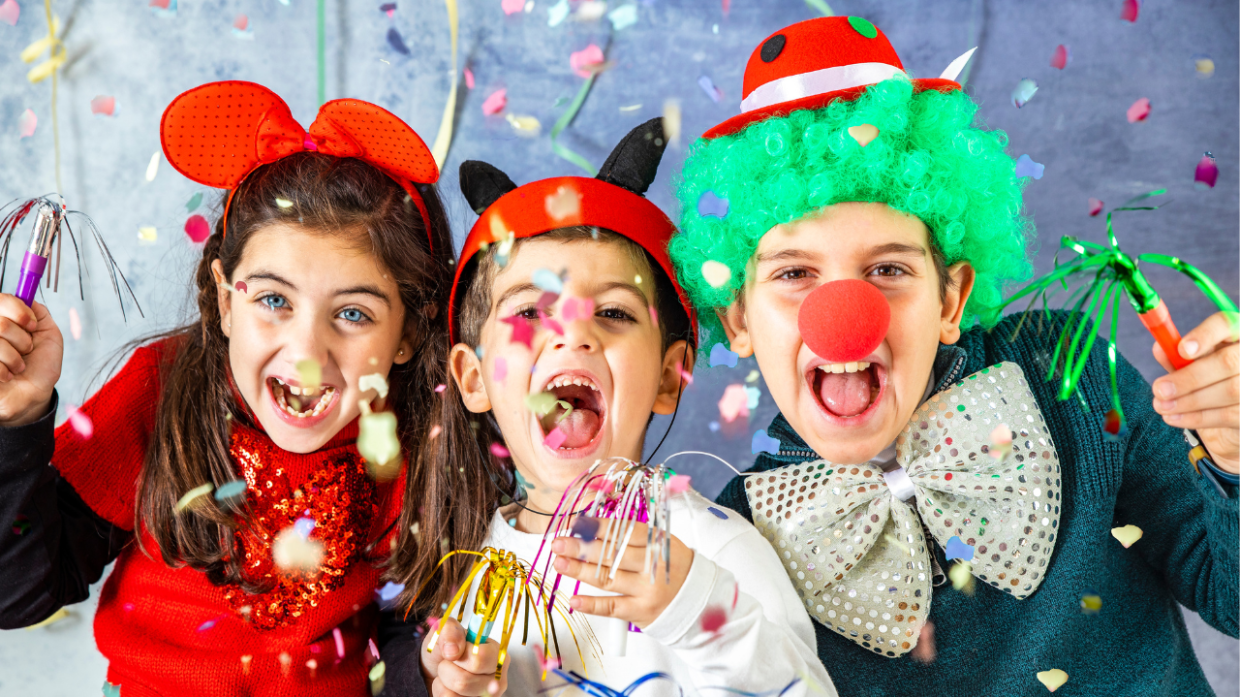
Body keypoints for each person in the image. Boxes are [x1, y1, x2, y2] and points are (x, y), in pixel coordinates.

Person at [667, 17, 1239, 696]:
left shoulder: (1070, 373)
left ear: (950, 298)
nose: (844, 319)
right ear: (737, 318)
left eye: (887, 269)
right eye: (794, 274)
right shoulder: (734, 539)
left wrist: (1235, 457)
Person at [0, 81, 459, 697]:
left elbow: (404, 632)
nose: (306, 354)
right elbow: (17, 592)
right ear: (224, 300)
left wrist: (428, 671)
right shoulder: (162, 390)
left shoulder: (419, 437)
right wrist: (17, 422)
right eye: (273, 300)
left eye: (353, 314)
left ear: (408, 333)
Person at [401, 118, 835, 697]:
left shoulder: (714, 550)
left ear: (668, 376)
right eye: (529, 313)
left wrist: (697, 608)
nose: (573, 333)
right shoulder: (465, 566)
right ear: (474, 379)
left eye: (613, 313)